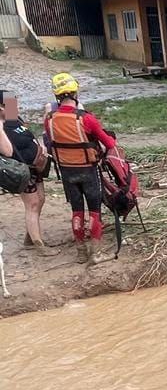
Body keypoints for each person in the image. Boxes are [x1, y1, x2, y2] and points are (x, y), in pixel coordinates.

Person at [44, 72, 117, 265]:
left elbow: (50, 142)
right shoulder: (86, 119)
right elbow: (109, 143)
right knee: (94, 210)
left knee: (77, 210)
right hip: (88, 170)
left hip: (67, 171)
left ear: (56, 95)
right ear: (75, 93)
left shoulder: (49, 119)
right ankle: (96, 254)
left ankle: (81, 252)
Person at [0, 98, 52, 253]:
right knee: (33, 204)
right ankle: (39, 246)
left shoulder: (14, 118)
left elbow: (27, 135)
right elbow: (8, 151)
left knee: (41, 199)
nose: (14, 107)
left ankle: (30, 237)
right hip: (20, 170)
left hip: (35, 166)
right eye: (9, 105)